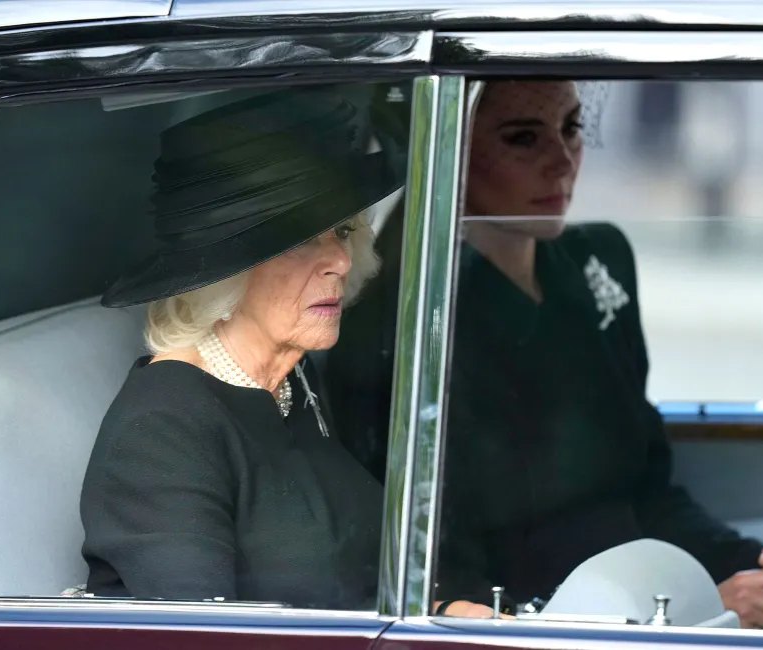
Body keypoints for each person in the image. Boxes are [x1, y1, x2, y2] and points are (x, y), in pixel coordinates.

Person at [327, 79, 763, 629]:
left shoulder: (596, 261)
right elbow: (451, 579)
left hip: (657, 583)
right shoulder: (406, 324)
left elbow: (648, 492)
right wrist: (703, 605)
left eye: (572, 128)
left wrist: (751, 562)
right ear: (446, 150)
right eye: (523, 138)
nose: (563, 160)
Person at [78, 86, 499, 617]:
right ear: (224, 273)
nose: (341, 263)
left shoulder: (289, 382)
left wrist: (441, 612)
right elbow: (202, 638)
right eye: (302, 239)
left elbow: (344, 575)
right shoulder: (163, 432)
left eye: (343, 232)